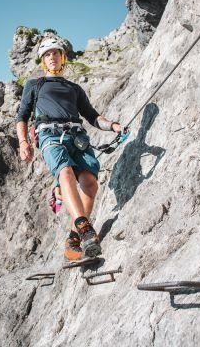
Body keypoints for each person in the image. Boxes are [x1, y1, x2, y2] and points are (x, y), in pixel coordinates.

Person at [16, 38, 124, 261]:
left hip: (78, 137)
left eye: (56, 53)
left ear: (62, 57)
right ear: (43, 60)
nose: (52, 57)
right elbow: (22, 116)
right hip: (50, 135)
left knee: (90, 183)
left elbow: (92, 116)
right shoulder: (34, 85)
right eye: (47, 54)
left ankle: (74, 240)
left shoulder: (74, 88)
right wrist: (23, 142)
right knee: (64, 172)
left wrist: (113, 126)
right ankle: (85, 228)